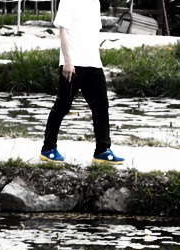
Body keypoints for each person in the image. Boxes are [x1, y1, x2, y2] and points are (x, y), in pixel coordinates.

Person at [39, 0, 124, 165]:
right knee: (62, 105)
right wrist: (67, 61)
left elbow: (90, 34)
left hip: (93, 63)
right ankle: (48, 148)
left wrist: (97, 61)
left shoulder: (95, 3)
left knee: (101, 106)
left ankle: (102, 151)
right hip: (73, 64)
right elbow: (63, 32)